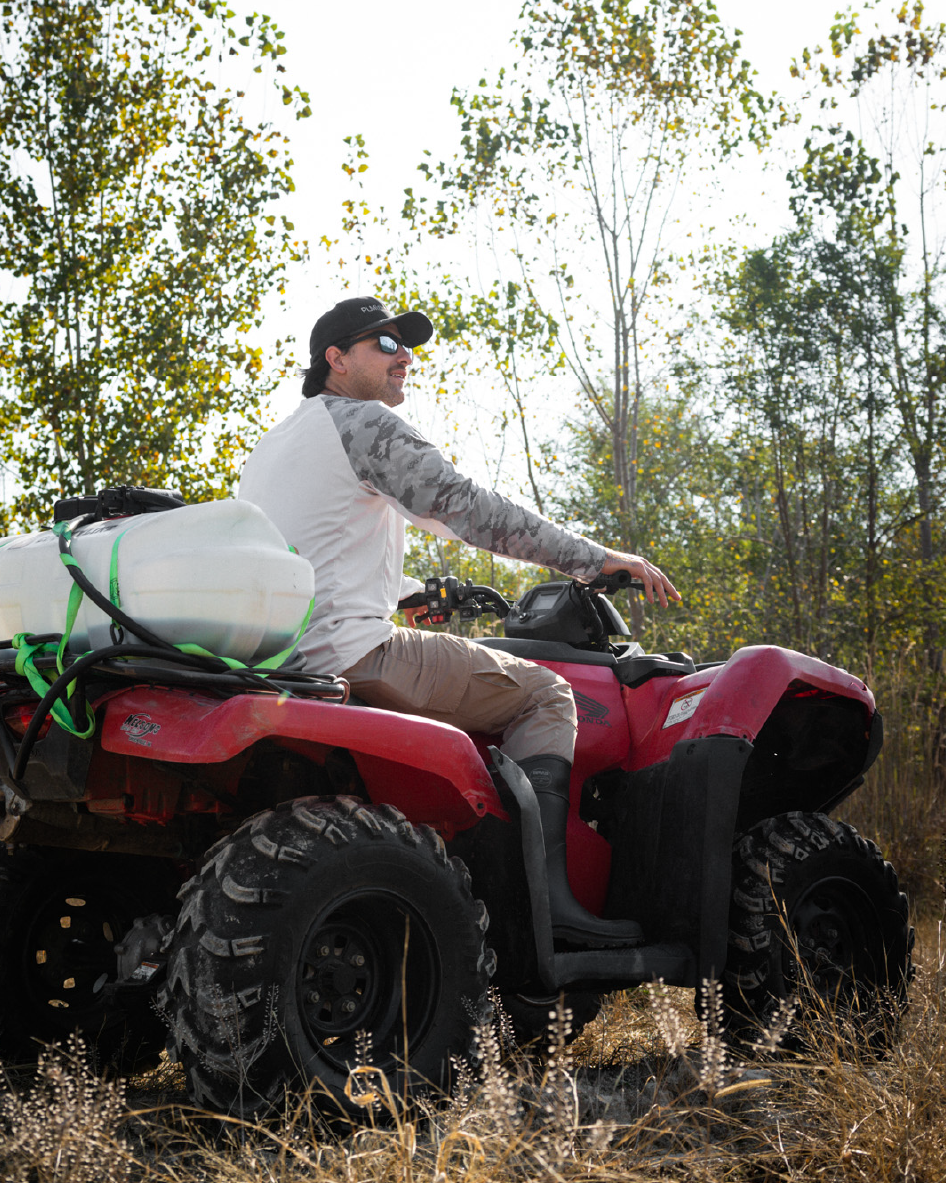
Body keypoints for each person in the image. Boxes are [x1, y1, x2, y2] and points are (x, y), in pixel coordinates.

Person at [237, 296, 681, 945]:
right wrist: (595, 560)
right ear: (336, 359)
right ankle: (544, 907)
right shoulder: (363, 424)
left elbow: (312, 548)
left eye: (405, 345)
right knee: (547, 696)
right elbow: (466, 509)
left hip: (283, 658)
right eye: (384, 345)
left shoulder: (278, 441)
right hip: (352, 652)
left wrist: (412, 592)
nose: (404, 357)